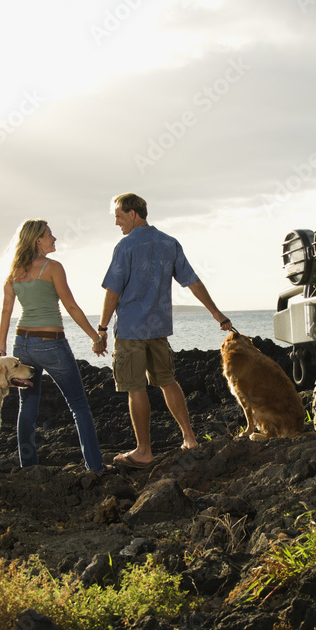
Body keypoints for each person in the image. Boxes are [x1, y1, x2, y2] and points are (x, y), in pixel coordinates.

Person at [92, 193, 232, 469]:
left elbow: (113, 291)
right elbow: (192, 282)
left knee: (135, 389)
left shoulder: (125, 246)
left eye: (119, 216)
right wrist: (217, 314)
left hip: (131, 331)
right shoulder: (169, 243)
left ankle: (144, 451)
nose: (117, 223)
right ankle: (189, 438)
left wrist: (102, 328)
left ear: (133, 214)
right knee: (168, 381)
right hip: (158, 328)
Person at [0, 219, 113, 474]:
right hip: (51, 345)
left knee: (27, 406)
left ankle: (28, 468)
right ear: (38, 239)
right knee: (78, 404)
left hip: (22, 344)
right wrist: (96, 338)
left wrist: (1, 349)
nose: (55, 238)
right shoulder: (52, 268)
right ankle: (95, 467)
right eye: (50, 235)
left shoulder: (13, 272)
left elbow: (6, 311)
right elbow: (71, 307)